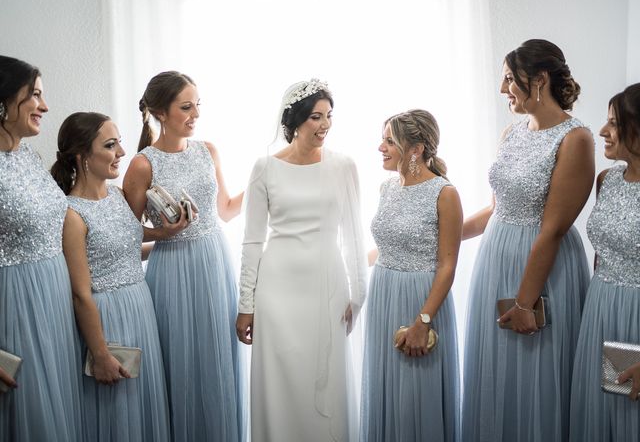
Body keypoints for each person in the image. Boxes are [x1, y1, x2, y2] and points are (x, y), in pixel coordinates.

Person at [460, 39, 594, 442]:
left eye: (508, 79)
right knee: (496, 372)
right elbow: (495, 210)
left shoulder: (576, 139)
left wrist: (523, 302)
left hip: (542, 269)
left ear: (539, 79)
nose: (503, 90)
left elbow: (552, 228)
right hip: (495, 260)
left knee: (537, 373)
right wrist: (443, 238)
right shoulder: (512, 132)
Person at [236, 79, 367, 442]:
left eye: (329, 116)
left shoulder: (343, 166)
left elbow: (354, 235)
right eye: (315, 117)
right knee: (280, 386)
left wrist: (358, 295)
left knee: (324, 380)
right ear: (294, 121)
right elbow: (252, 241)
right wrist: (245, 304)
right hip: (277, 292)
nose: (324, 125)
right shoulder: (264, 168)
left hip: (326, 285)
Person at [123, 71, 246, 442]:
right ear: (161, 112)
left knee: (216, 358)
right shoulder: (143, 164)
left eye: (198, 105)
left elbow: (223, 210)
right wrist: (163, 233)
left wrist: (262, 183)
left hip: (214, 261)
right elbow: (123, 233)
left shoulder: (208, 150)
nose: (195, 114)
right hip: (172, 266)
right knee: (179, 360)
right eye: (186, 107)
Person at [52, 112, 170, 441]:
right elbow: (80, 293)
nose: (121, 152)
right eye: (110, 145)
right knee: (116, 415)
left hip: (140, 308)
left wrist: (165, 236)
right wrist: (101, 353)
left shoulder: (118, 196)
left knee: (142, 409)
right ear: (82, 155)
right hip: (108, 318)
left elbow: (126, 255)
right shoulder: (72, 214)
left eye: (119, 143)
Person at [360, 109, 462, 441]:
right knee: (387, 389)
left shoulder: (444, 194)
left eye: (390, 141)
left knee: (416, 396)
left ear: (415, 149)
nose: (381, 148)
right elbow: (388, 246)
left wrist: (423, 320)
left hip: (421, 299)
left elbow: (447, 265)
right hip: (383, 295)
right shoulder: (387, 187)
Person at [0, 56, 82, 440]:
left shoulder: (29, 159)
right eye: (34, 95)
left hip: (53, 303)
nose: (45, 106)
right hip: (14, 306)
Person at [569, 83, 640, 440]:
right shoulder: (606, 180)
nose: (602, 131)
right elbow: (601, 253)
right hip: (599, 310)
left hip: (636, 317)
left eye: (614, 123)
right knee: (599, 417)